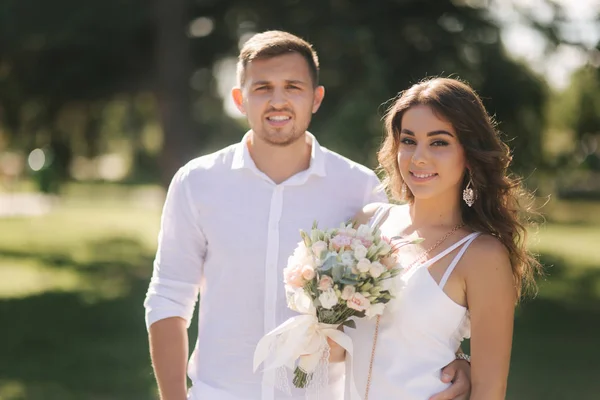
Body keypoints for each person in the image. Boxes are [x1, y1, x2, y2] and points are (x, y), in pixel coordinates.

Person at [143, 31, 472, 400]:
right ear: (239, 99)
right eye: (263, 87)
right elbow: (169, 297)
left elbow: (400, 293)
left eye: (293, 87)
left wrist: (458, 355)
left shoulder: (359, 189)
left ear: (316, 98)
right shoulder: (197, 182)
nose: (278, 100)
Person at [334, 77, 541, 400]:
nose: (419, 157)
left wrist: (468, 367)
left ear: (469, 154)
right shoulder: (367, 222)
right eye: (408, 140)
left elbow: (490, 391)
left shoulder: (482, 256)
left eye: (439, 142)